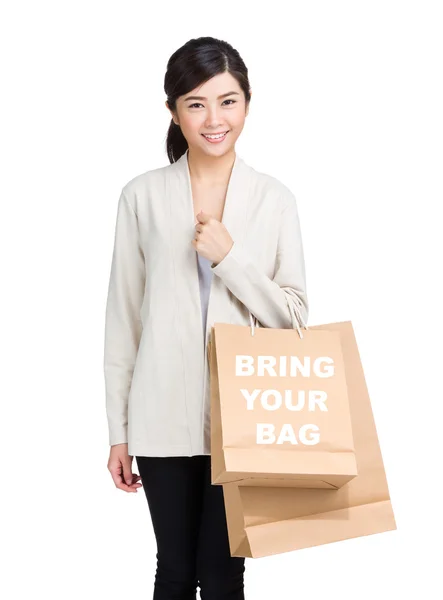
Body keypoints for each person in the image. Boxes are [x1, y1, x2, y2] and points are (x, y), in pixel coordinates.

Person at [103, 36, 309, 599]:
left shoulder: (274, 200)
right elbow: (124, 321)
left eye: (227, 101)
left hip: (246, 417)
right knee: (173, 570)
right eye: (195, 103)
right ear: (173, 110)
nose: (213, 119)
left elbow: (293, 318)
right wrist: (119, 433)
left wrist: (229, 258)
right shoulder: (141, 197)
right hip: (159, 416)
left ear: (247, 103)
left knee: (223, 574)